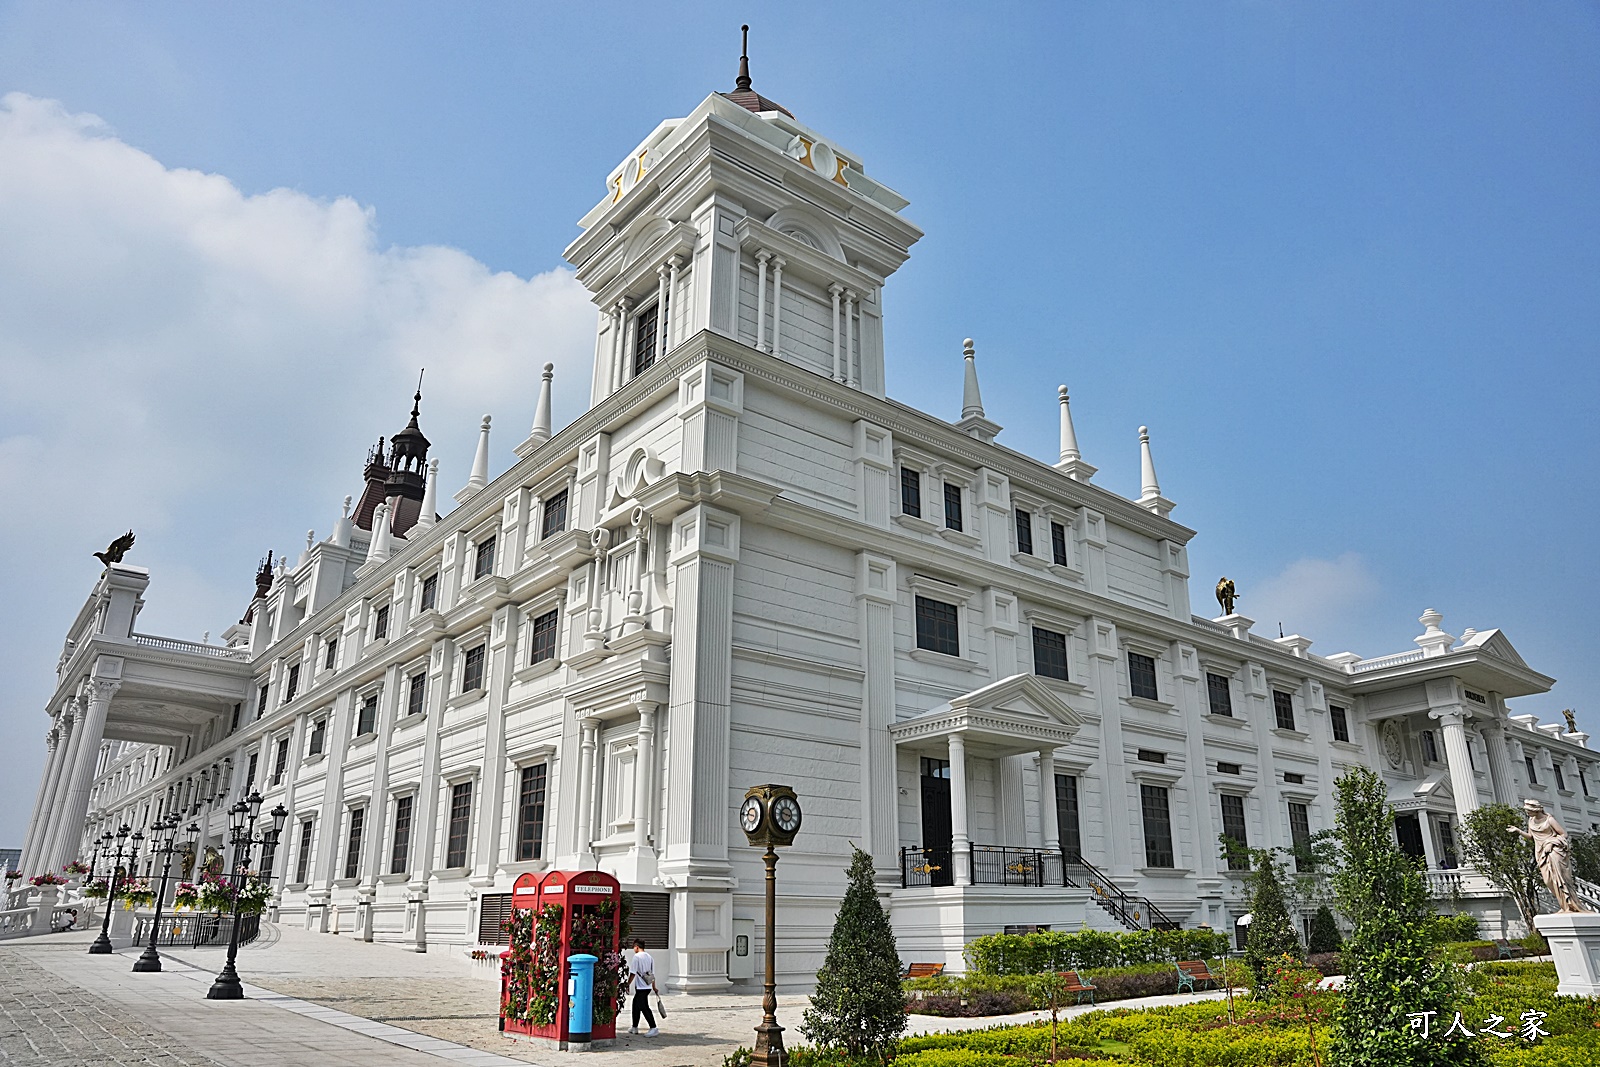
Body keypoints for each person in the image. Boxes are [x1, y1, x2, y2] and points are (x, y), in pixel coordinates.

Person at [627, 938, 659, 1037]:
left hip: (641, 986)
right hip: (648, 986)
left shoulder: (637, 957)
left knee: (644, 1006)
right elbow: (652, 974)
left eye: (634, 947)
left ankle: (653, 1027)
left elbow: (632, 973)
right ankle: (634, 1026)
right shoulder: (650, 957)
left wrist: (627, 984)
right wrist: (654, 987)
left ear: (636, 947)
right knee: (635, 1005)